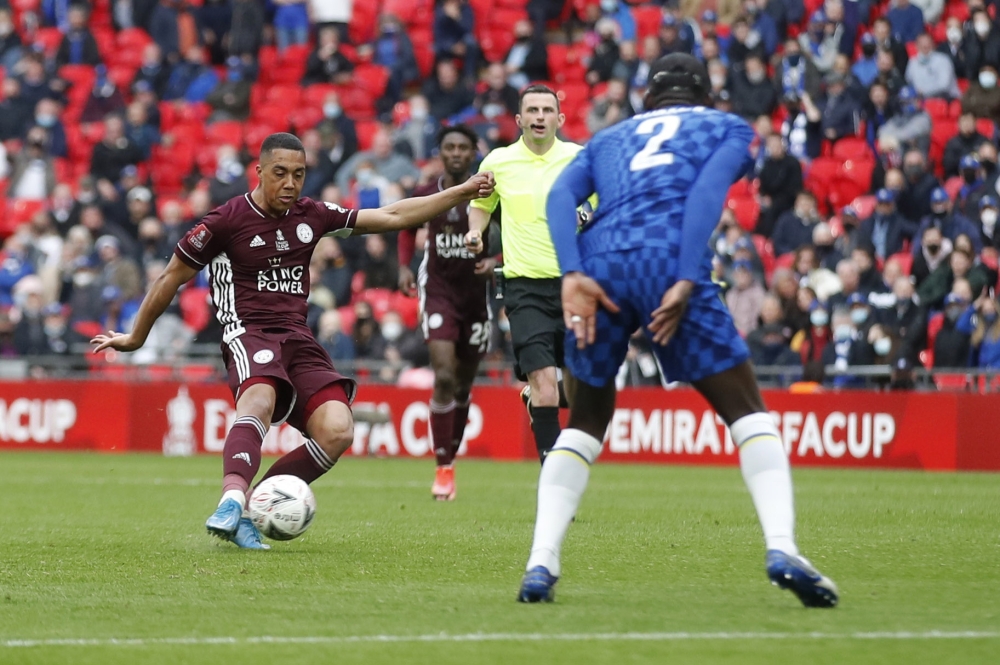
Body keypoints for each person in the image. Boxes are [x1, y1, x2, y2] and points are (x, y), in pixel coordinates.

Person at [518, 53, 838, 607]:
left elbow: (559, 197)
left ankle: (540, 562)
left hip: (601, 264)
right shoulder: (726, 126)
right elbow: (705, 196)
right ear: (705, 94)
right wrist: (687, 274)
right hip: (668, 256)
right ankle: (782, 547)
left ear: (649, 96)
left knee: (586, 422)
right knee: (748, 412)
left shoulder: (608, 139)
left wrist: (571, 273)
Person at [92, 133, 495, 549]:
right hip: (247, 331)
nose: (289, 183)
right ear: (260, 171)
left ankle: (250, 509)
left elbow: (392, 216)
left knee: (338, 430)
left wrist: (462, 192)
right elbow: (170, 276)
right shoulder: (226, 221)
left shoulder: (312, 215)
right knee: (259, 401)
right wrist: (137, 336)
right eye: (280, 173)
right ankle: (231, 500)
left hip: (298, 337)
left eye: (298, 175)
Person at [462, 84, 583, 464]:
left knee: (581, 390)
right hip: (524, 286)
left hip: (575, 286)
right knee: (547, 387)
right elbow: (481, 204)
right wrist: (474, 231)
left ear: (560, 118)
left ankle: (537, 393)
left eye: (547, 110)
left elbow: (601, 207)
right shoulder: (498, 162)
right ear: (519, 119)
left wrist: (590, 215)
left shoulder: (581, 160)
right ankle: (555, 477)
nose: (540, 117)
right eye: (532, 110)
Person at [398, 125, 497, 501]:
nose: (456, 153)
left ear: (474, 153)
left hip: (476, 296)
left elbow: (517, 231)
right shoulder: (427, 193)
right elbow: (406, 227)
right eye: (449, 147)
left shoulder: (489, 194)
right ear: (440, 153)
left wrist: (496, 261)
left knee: (463, 385)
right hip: (438, 292)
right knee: (442, 375)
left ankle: (449, 459)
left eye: (463, 148)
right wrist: (404, 265)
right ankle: (442, 468)